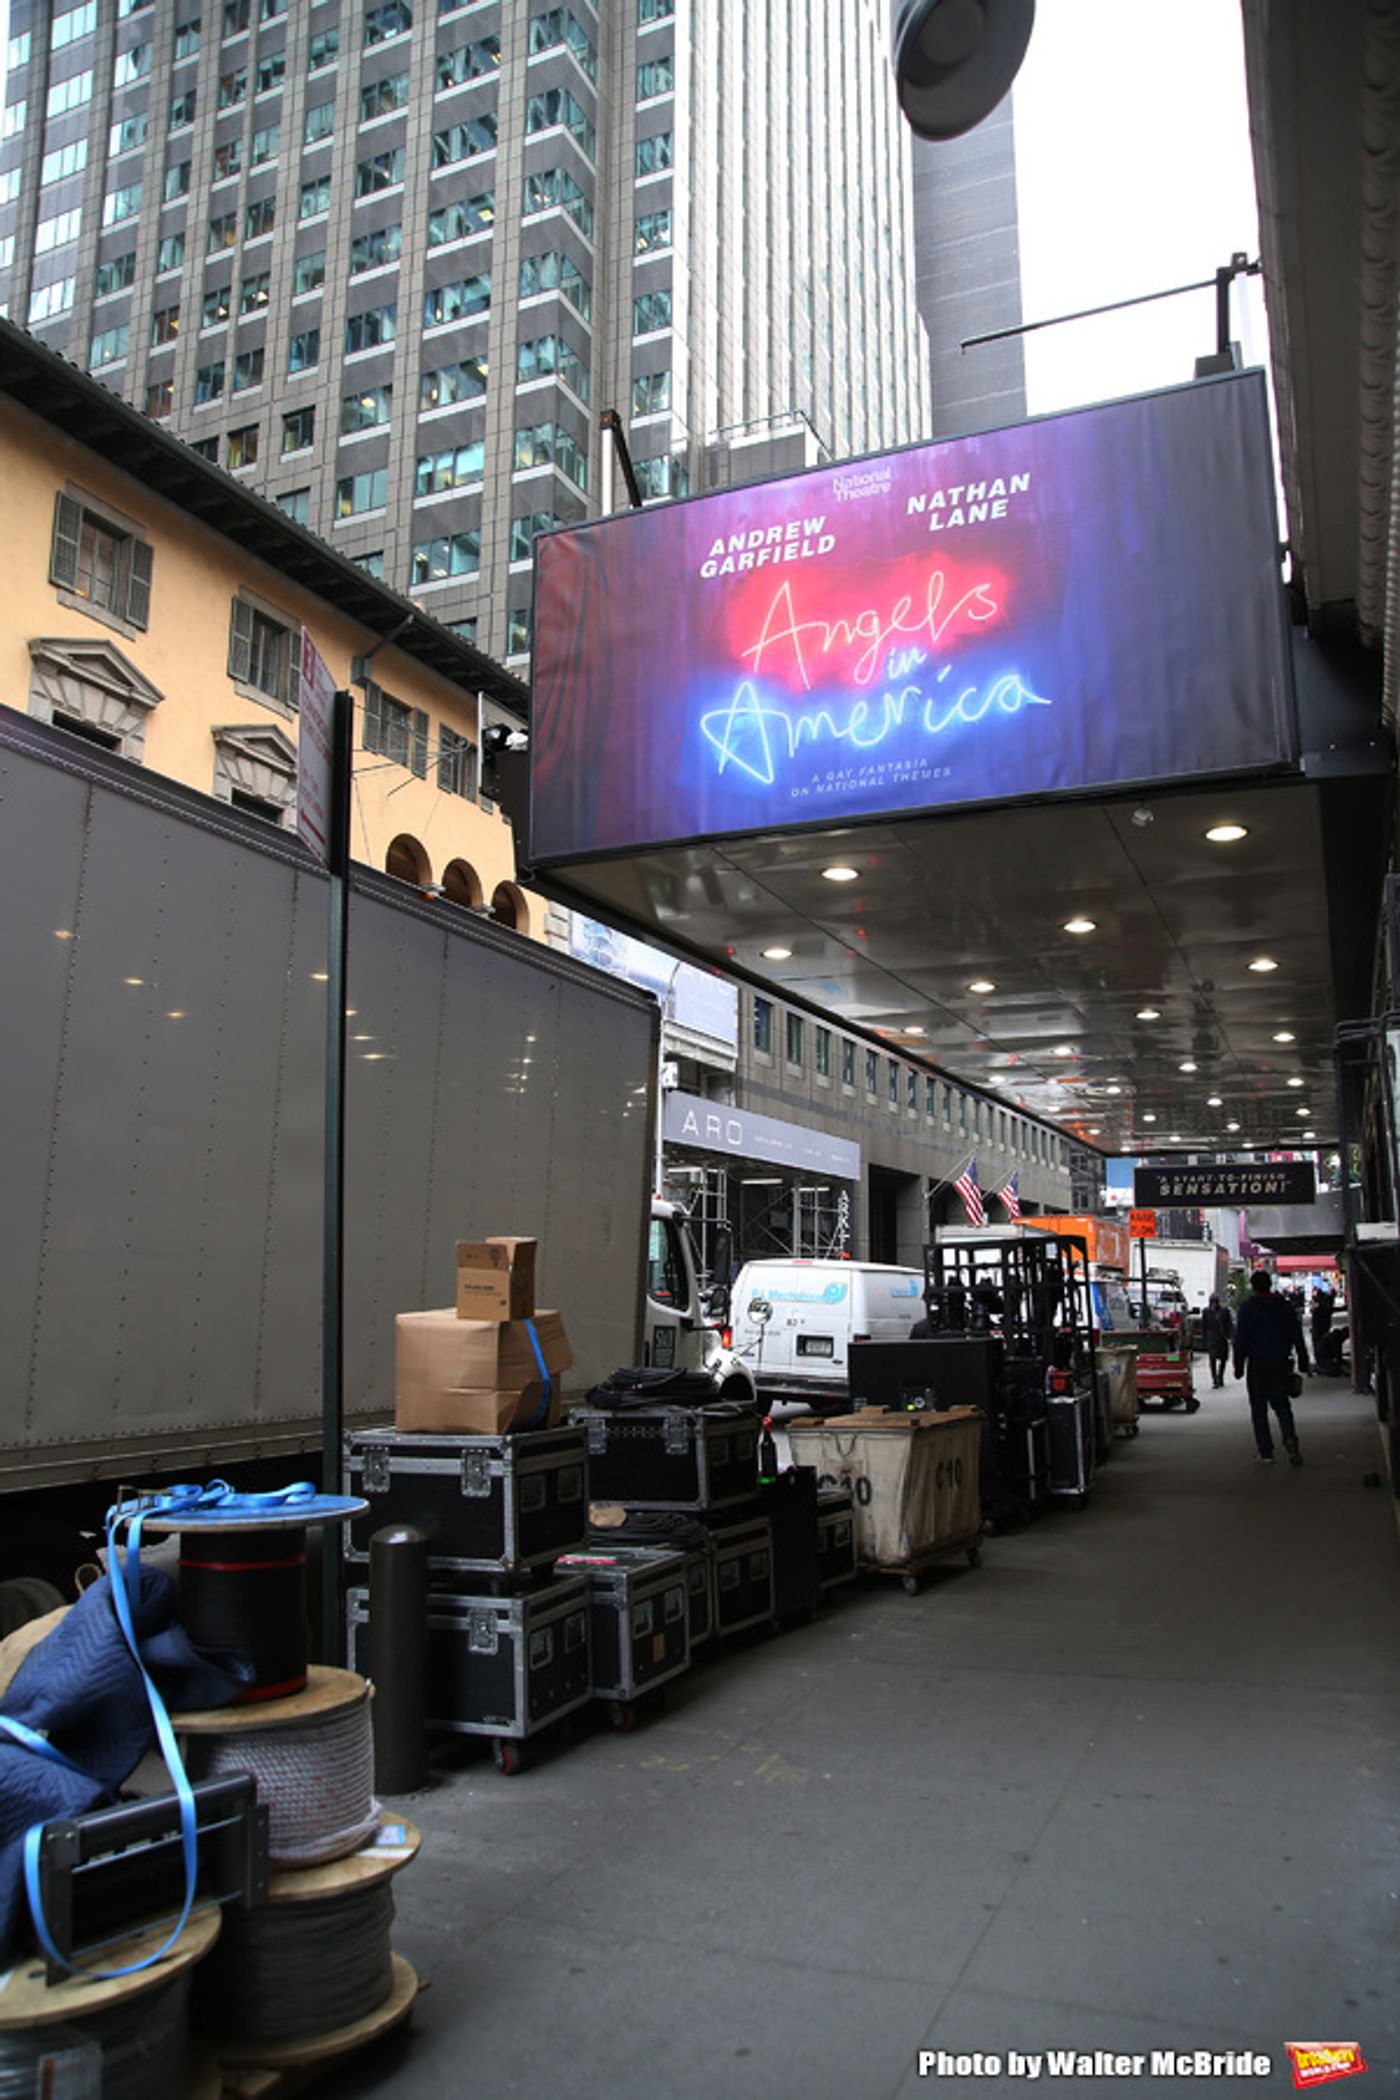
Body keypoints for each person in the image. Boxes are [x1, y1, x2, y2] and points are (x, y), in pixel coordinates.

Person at [1233, 1269, 1309, 1466]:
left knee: (1259, 1410)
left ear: (1253, 1286)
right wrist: (1303, 1360)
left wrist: (1238, 1366)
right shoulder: (1285, 1307)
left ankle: (1265, 1451)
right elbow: (1297, 1335)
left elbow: (1240, 1340)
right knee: (1282, 1405)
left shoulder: (1248, 1309)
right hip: (1280, 1363)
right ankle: (1290, 1439)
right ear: (1270, 1285)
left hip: (1257, 1365)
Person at [1201, 1293, 1234, 1389]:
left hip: (1222, 1338)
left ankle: (1220, 1377)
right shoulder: (1206, 1312)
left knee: (1223, 1359)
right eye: (1212, 1303)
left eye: (1215, 1303)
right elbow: (1204, 1326)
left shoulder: (1224, 1311)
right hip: (1211, 1338)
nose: (1213, 1305)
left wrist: (1229, 1336)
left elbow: (1229, 1325)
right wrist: (1204, 1340)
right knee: (1212, 1358)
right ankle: (1215, 1379)